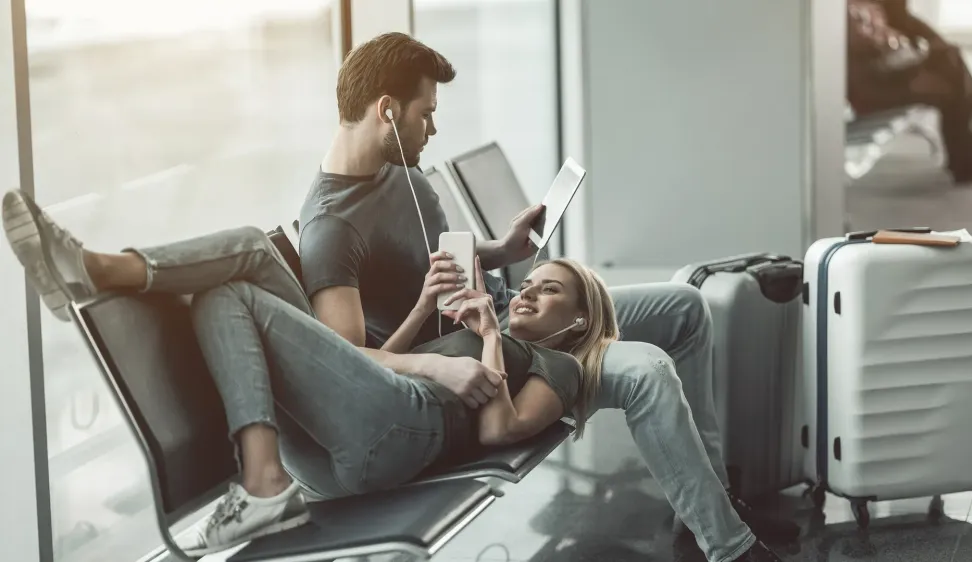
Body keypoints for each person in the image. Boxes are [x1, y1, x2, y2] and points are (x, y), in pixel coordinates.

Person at [298, 32, 794, 562]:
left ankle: (707, 504)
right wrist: (460, 335)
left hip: (508, 309)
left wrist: (500, 248)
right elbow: (346, 360)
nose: (434, 128)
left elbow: (436, 260)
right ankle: (729, 546)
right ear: (388, 111)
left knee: (685, 309)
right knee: (646, 372)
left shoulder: (396, 167)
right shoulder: (331, 228)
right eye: (427, 114)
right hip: (486, 350)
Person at [3, 188, 617, 557]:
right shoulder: (488, 332)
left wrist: (486, 338)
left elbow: (499, 431)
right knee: (234, 274)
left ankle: (93, 269)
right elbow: (371, 361)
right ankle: (264, 477)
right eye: (529, 283)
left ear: (579, 318)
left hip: (401, 432)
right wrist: (426, 313)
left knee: (239, 277)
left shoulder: (556, 364)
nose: (529, 294)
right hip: (357, 432)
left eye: (551, 291)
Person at [847, 0, 972, 185]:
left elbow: (921, 35)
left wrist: (909, 45)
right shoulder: (846, 10)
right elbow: (866, 49)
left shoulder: (886, 9)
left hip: (887, 76)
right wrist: (890, 38)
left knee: (951, 69)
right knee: (952, 82)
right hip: (870, 86)